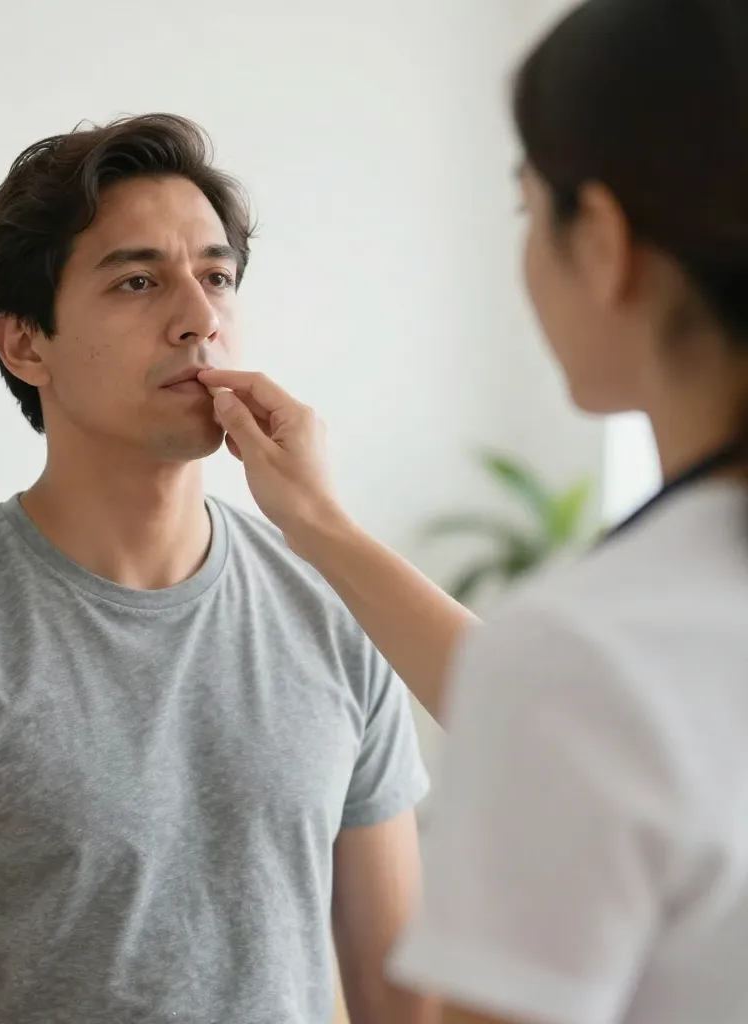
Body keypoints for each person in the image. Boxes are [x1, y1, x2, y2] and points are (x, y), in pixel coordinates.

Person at [0, 113, 433, 1024]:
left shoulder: (334, 603)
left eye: (216, 277)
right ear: (25, 344)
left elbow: (403, 996)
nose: (199, 319)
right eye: (137, 280)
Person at [198, 1, 748, 1022]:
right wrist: (320, 523)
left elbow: (587, 702)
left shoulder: (590, 655)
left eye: (525, 210)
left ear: (604, 243)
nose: (194, 316)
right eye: (138, 278)